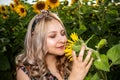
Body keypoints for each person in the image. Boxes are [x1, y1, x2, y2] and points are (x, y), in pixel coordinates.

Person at [15, 10, 93, 80]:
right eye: (52, 36)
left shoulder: (71, 62)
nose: (63, 40)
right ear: (36, 39)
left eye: (62, 34)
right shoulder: (26, 72)